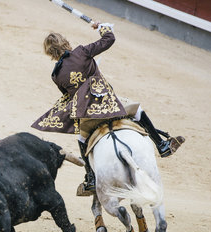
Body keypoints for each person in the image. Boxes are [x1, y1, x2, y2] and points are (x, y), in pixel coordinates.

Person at [31, 22, 184, 195]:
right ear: (65, 43)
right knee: (138, 109)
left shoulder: (56, 74)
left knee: (82, 140)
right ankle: (161, 145)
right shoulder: (82, 51)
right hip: (108, 105)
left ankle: (90, 177)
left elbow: (69, 95)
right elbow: (109, 39)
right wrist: (102, 27)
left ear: (50, 52)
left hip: (87, 116)